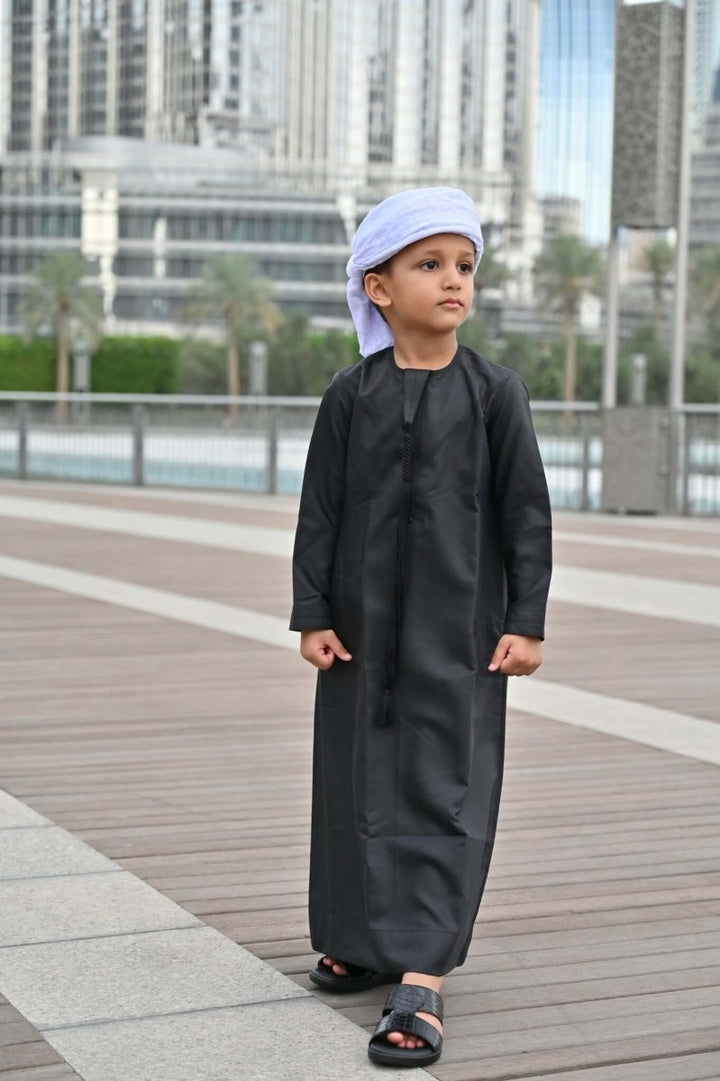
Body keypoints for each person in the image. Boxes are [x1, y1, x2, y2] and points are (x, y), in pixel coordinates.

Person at [289, 186, 552, 1068]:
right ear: (378, 286)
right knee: (355, 785)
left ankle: (422, 973)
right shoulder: (350, 394)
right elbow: (320, 513)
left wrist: (525, 620)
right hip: (359, 637)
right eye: (430, 264)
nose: (453, 281)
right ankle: (359, 937)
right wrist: (313, 613)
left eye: (465, 265)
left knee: (447, 790)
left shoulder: (495, 394)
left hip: (462, 636)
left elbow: (526, 517)